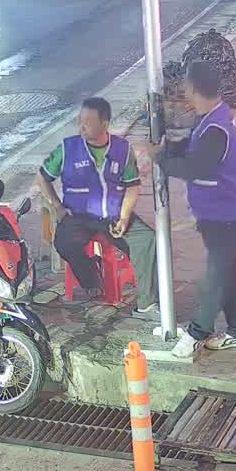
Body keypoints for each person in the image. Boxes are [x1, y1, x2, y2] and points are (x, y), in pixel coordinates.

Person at [158, 61, 236, 359]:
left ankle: (196, 333)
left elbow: (195, 167)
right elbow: (190, 148)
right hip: (220, 212)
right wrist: (168, 147)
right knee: (227, 271)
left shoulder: (215, 128)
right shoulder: (213, 117)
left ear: (192, 88)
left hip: (226, 215)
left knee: (216, 276)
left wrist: (160, 159)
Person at [38, 97, 158, 316]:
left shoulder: (122, 149)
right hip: (77, 216)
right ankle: (93, 283)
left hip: (113, 216)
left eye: (88, 122)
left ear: (105, 124)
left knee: (147, 240)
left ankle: (147, 304)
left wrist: (124, 216)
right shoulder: (67, 149)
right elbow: (42, 177)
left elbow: (132, 186)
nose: (82, 126)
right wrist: (57, 206)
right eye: (80, 121)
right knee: (64, 243)